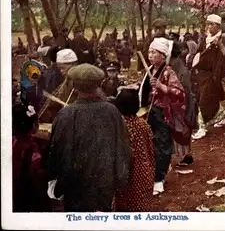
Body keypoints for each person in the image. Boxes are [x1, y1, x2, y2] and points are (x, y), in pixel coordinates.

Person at [46, 64, 131, 212]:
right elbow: (123, 148)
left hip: (75, 185)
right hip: (105, 183)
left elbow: (56, 153)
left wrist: (58, 182)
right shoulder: (112, 112)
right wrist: (120, 179)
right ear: (98, 85)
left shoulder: (66, 115)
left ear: (74, 86)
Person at [138, 37, 186, 195]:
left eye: (154, 52)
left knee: (162, 145)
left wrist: (161, 87)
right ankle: (155, 173)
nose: (150, 55)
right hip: (149, 113)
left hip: (163, 114)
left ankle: (159, 179)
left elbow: (179, 94)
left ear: (163, 55)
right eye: (149, 52)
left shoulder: (168, 71)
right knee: (149, 145)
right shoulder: (151, 69)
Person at [113, 89, 155, 212]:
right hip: (143, 171)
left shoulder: (119, 125)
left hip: (125, 172)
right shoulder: (143, 124)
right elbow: (150, 147)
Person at [191, 14, 225, 140]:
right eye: (208, 24)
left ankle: (202, 128)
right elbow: (199, 52)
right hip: (203, 74)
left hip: (213, 74)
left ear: (218, 26)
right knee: (206, 98)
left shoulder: (222, 40)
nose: (209, 27)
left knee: (204, 100)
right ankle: (224, 117)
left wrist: (219, 45)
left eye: (212, 24)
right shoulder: (206, 39)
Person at [12, 103, 52, 212]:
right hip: (30, 201)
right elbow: (38, 181)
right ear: (34, 126)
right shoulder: (33, 152)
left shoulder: (13, 142)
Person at [169, 41, 197, 167]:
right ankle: (184, 155)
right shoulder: (175, 67)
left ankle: (186, 155)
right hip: (179, 103)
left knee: (182, 128)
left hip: (182, 103)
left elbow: (185, 90)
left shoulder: (180, 70)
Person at [38, 49, 79, 124]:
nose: (61, 71)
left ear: (74, 64)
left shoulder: (80, 81)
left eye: (63, 68)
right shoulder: (67, 80)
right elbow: (58, 95)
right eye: (59, 68)